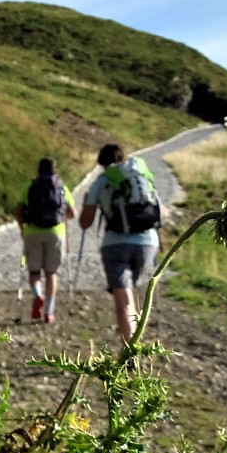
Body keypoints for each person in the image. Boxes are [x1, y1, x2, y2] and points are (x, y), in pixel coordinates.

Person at [79, 143, 162, 343]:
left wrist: (88, 202)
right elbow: (160, 211)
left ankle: (130, 350)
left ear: (102, 163)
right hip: (148, 242)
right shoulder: (141, 176)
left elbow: (85, 222)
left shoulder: (102, 181)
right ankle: (137, 340)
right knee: (132, 290)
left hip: (115, 244)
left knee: (123, 299)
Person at [14, 157, 75, 324]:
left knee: (34, 272)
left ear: (38, 169)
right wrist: (62, 219)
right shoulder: (62, 187)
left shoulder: (29, 186)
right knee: (51, 273)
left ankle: (37, 295)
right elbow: (72, 213)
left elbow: (18, 211)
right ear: (55, 169)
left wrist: (22, 229)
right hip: (56, 232)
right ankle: (48, 312)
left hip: (32, 231)